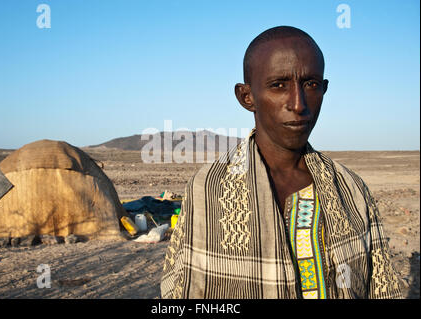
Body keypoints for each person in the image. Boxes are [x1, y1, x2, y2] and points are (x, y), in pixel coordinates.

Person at [161, 26, 402, 299]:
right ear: (247, 97)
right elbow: (180, 291)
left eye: (311, 84)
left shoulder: (351, 190)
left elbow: (381, 288)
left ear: (324, 89)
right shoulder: (208, 188)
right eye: (279, 85)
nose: (299, 104)